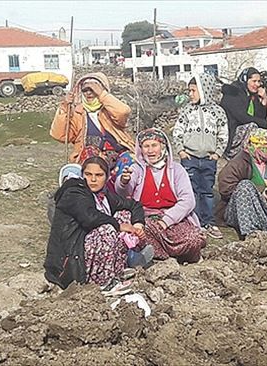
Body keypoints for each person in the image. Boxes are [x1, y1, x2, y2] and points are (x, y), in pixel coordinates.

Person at [44, 156, 146, 296]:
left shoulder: (102, 196)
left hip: (86, 251)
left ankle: (116, 270)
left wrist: (138, 225)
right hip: (70, 261)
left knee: (123, 214)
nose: (93, 179)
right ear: (82, 175)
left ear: (107, 177)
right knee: (107, 229)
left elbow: (134, 205)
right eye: (88, 175)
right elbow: (89, 217)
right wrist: (119, 225)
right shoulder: (74, 192)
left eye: (98, 175)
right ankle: (104, 282)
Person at [116, 128, 206, 264]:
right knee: (138, 232)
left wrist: (166, 220)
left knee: (193, 239)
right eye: (146, 146)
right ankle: (167, 257)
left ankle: (162, 254)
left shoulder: (177, 170)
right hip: (147, 220)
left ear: (162, 147)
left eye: (154, 145)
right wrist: (123, 181)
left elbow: (188, 200)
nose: (150, 151)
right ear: (141, 149)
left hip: (175, 220)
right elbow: (123, 193)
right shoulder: (136, 169)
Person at [50, 72, 135, 188]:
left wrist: (102, 95)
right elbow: (60, 135)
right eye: (85, 90)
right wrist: (65, 106)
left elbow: (123, 112)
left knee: (130, 162)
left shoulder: (110, 110)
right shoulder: (78, 113)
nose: (89, 93)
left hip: (117, 156)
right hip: (92, 159)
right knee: (92, 157)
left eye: (93, 89)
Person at [173, 73, 228, 240]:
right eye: (189, 91)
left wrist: (217, 153)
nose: (190, 94)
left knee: (207, 191)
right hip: (189, 158)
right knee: (191, 191)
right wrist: (181, 151)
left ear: (205, 90)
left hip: (208, 159)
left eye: (193, 91)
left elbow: (223, 134)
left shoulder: (217, 111)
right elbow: (177, 132)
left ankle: (208, 223)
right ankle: (194, 223)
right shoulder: (187, 110)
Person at [220, 68, 267, 160]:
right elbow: (243, 117)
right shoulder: (233, 93)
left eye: (259, 81)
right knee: (251, 126)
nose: (257, 84)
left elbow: (259, 118)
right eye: (254, 81)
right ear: (245, 80)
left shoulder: (250, 94)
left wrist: (264, 100)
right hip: (231, 135)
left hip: (246, 133)